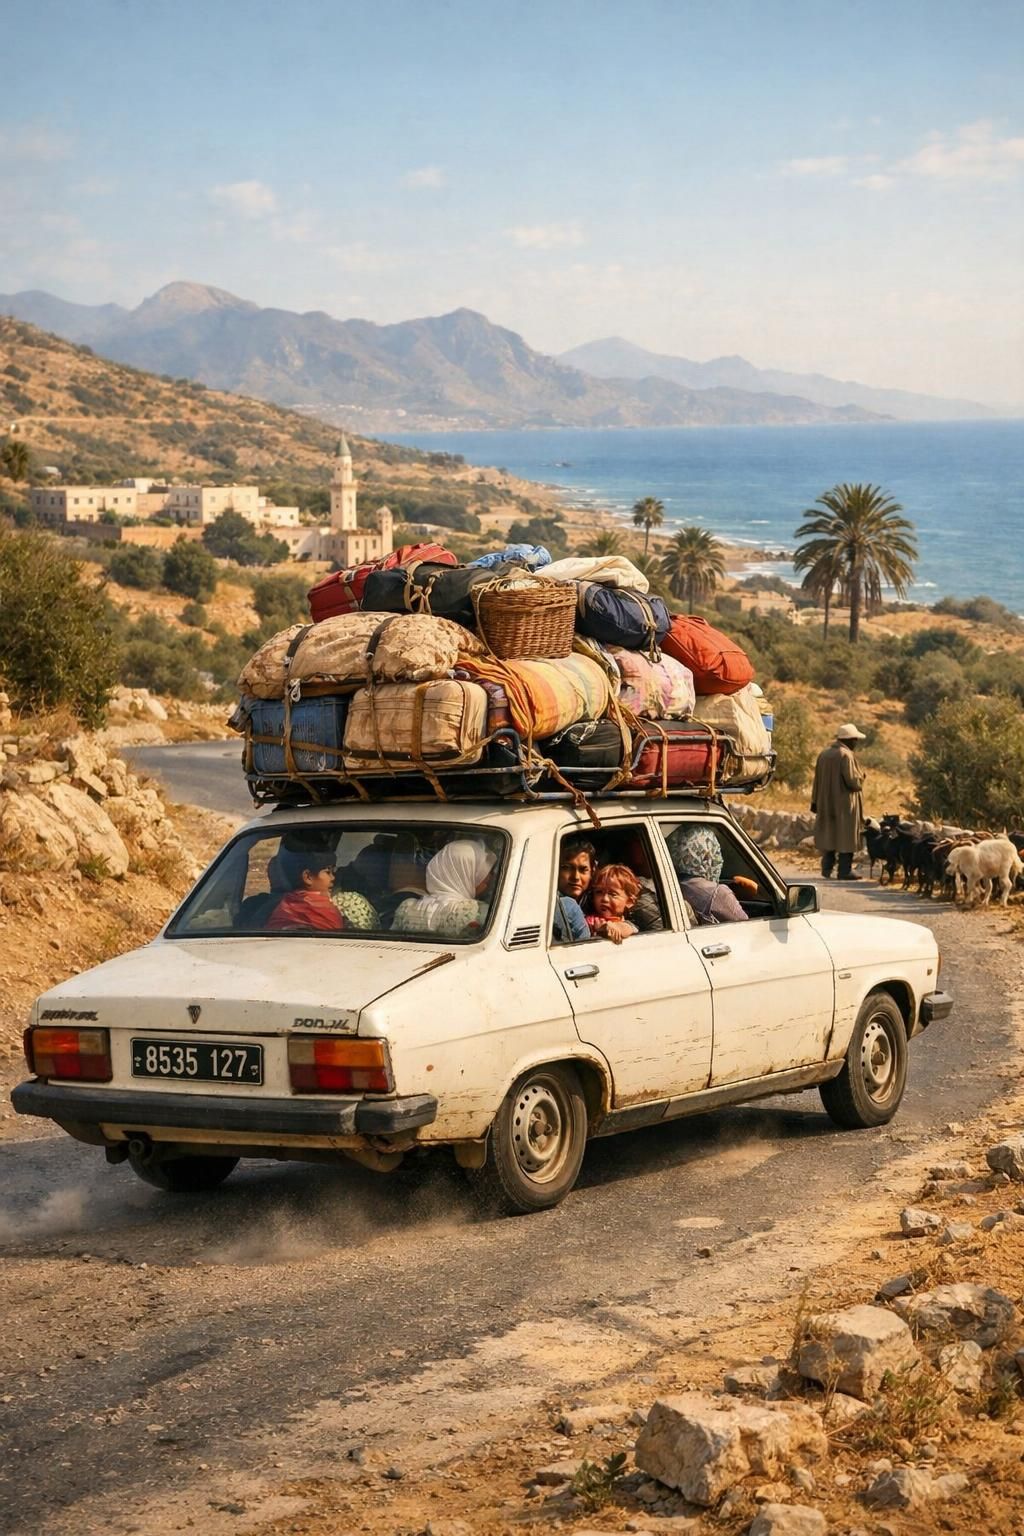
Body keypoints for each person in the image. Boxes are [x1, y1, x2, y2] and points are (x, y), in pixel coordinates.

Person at [393, 838, 496, 938]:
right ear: (464, 873)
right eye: (480, 872)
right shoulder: (480, 913)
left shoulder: (406, 909)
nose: (489, 878)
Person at [811, 723, 867, 881]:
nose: (856, 743)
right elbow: (853, 783)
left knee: (829, 835)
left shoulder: (824, 754)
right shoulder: (846, 755)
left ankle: (826, 868)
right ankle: (845, 871)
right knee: (846, 837)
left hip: (825, 802)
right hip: (844, 805)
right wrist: (862, 777)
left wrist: (815, 801)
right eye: (855, 740)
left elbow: (816, 781)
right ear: (849, 740)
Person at [666, 825, 749, 926]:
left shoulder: (667, 883)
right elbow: (746, 927)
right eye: (714, 852)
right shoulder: (717, 893)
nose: (717, 858)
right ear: (706, 857)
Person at [266, 851, 345, 932]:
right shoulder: (323, 908)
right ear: (308, 877)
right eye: (328, 872)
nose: (332, 878)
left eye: (333, 872)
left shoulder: (284, 905)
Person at [585, 863, 644, 943]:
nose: (605, 899)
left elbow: (626, 929)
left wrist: (612, 927)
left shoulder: (626, 924)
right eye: (599, 892)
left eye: (613, 894)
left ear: (629, 902)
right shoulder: (586, 919)